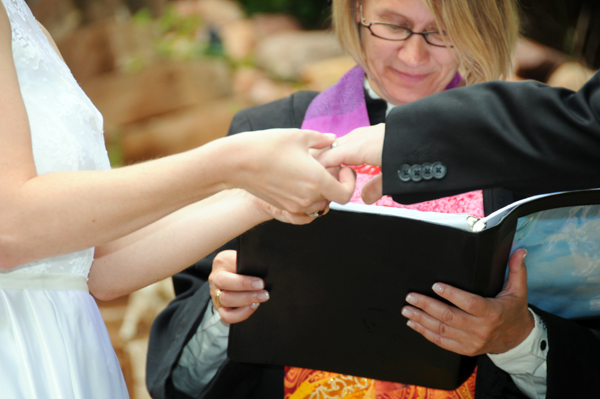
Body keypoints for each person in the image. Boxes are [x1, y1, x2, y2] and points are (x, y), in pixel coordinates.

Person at [145, 0, 552, 398]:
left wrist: (516, 339)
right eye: (392, 25)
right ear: (357, 11)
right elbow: (181, 382)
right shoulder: (264, 136)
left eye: (442, 32)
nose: (414, 54)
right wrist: (224, 310)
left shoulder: (529, 155)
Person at [0, 1, 356, 398]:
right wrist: (229, 162)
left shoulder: (26, 23)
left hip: (68, 349)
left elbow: (102, 264)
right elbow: (10, 228)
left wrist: (260, 198)